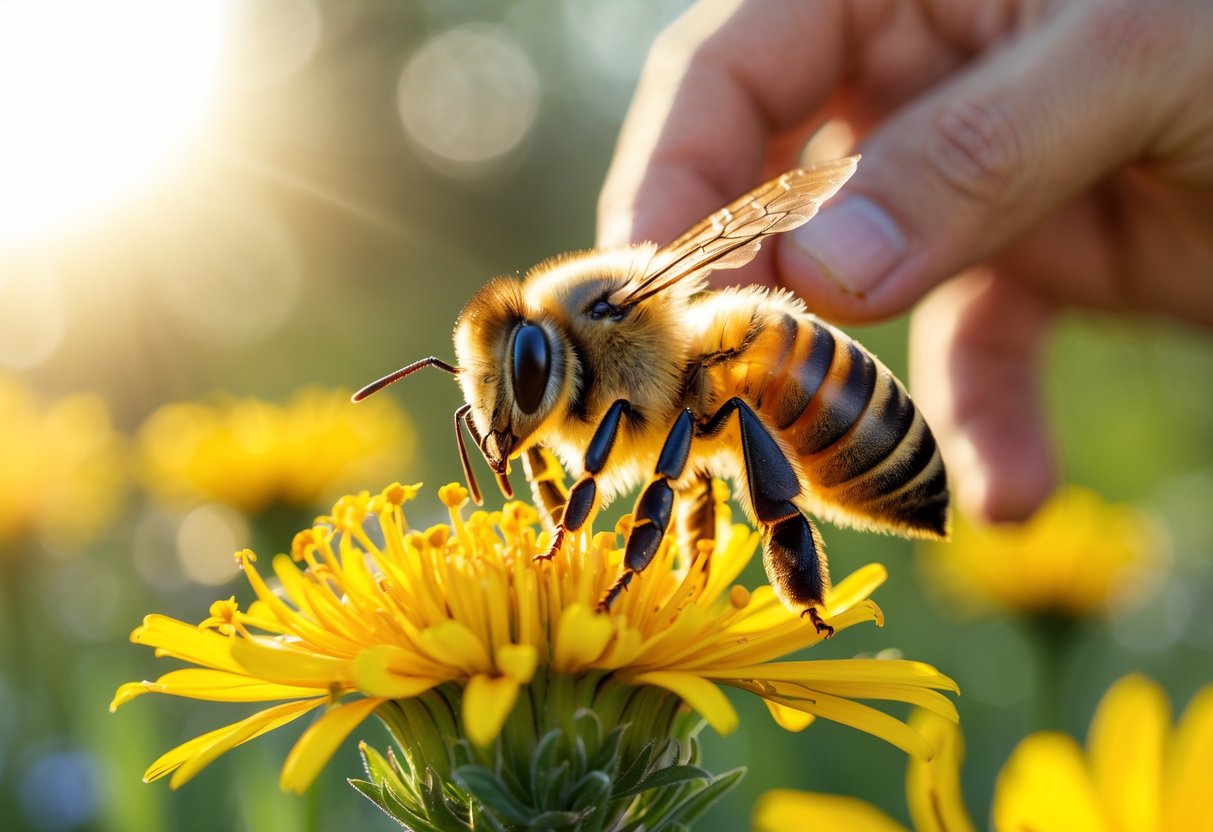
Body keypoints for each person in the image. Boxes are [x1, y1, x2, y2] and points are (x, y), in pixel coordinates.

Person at [596, 0, 1213, 524]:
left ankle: (790, 570)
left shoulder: (626, 363)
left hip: (818, 399)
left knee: (725, 405)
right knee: (716, 417)